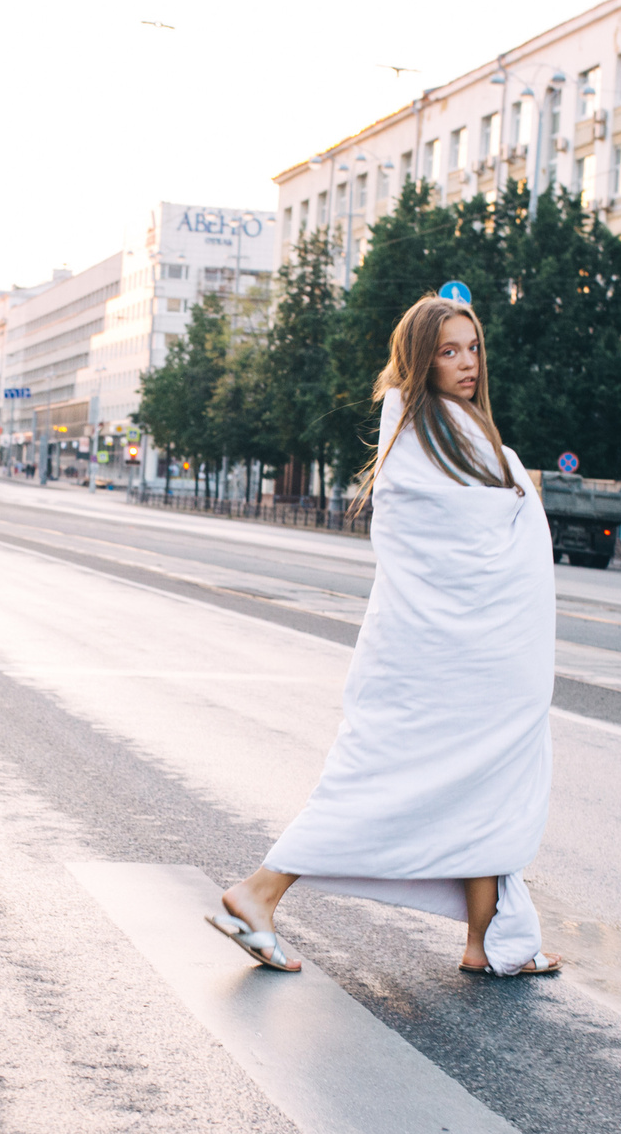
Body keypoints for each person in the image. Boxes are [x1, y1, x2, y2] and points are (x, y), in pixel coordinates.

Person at [206, 294, 561, 977]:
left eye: (472, 348)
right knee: (380, 785)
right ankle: (259, 889)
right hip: (441, 660)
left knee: (483, 784)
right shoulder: (428, 441)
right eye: (447, 352)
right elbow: (447, 546)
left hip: (481, 662)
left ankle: (484, 942)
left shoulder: (463, 433)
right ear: (420, 362)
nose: (465, 363)